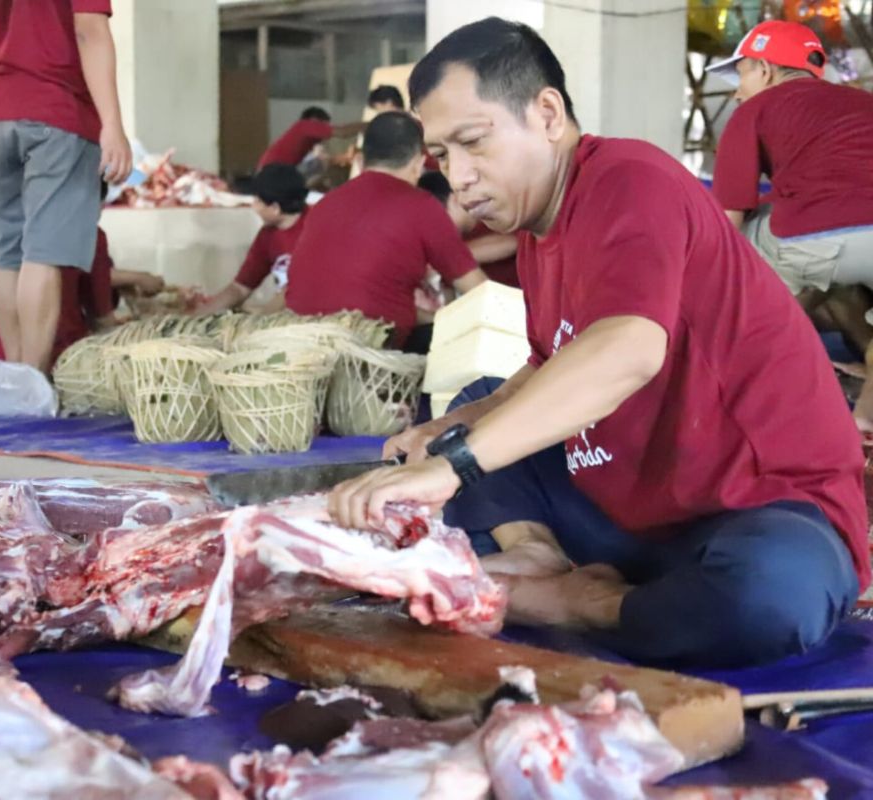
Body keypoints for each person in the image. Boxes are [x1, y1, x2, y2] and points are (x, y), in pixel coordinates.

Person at [327, 18, 868, 669]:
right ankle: (535, 554)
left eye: (473, 143)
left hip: (751, 507)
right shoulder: (536, 230)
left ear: (547, 113)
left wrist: (454, 468)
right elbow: (550, 363)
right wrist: (452, 429)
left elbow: (627, 349)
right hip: (633, 503)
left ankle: (573, 601)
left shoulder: (631, 182)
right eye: (443, 156)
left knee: (771, 597)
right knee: (474, 406)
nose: (460, 177)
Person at [708, 20, 873, 430]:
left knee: (749, 244)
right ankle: (864, 425)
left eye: (742, 73)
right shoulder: (862, 101)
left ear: (764, 70)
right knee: (838, 277)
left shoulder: (755, 110)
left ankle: (740, 383)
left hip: (814, 240)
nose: (736, 90)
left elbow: (726, 224)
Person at [0, 0, 132, 372]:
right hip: (57, 110)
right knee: (42, 255)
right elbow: (89, 29)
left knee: (8, 255)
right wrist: (112, 124)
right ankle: (33, 378)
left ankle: (14, 376)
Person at [284, 111, 484, 352]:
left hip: (303, 347)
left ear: (360, 160)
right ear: (418, 163)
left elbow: (369, 296)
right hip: (372, 353)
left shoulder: (324, 204)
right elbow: (478, 290)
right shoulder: (421, 206)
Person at [0, 182, 164, 362]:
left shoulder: (16, 225)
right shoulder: (90, 234)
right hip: (54, 356)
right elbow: (102, 321)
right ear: (94, 202)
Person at [195, 164, 310, 315]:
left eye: (257, 201)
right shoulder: (268, 235)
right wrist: (197, 317)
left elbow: (297, 286)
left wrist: (261, 320)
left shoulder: (316, 225)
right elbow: (241, 287)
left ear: (275, 208)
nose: (253, 206)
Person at [418, 170, 519, 287]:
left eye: (437, 222)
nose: (437, 230)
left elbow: (512, 243)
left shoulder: (491, 212)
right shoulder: (450, 241)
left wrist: (446, 258)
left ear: (454, 199)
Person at [258, 107, 366, 170]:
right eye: (323, 125)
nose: (323, 131)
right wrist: (372, 124)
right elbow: (342, 132)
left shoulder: (307, 140)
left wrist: (346, 157)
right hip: (273, 173)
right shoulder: (305, 125)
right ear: (314, 120)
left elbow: (325, 159)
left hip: (276, 171)